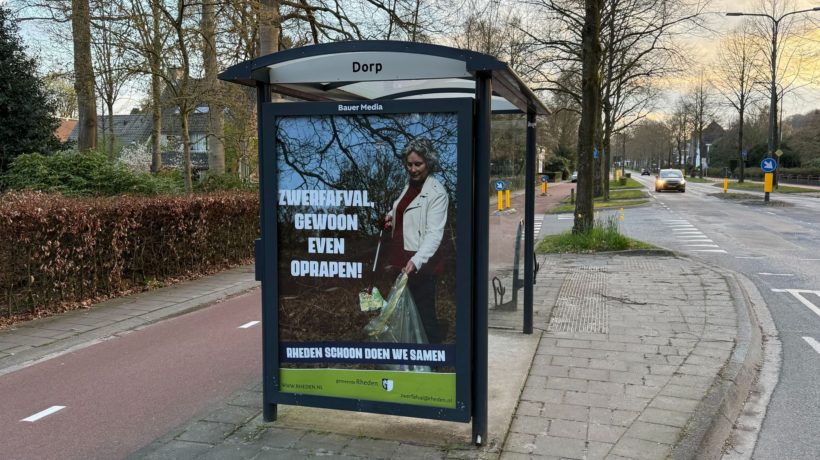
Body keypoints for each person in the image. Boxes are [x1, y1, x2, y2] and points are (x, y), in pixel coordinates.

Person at [384, 137, 449, 343]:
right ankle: (408, 356)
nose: (412, 169)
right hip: (399, 260)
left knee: (424, 314)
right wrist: (391, 217)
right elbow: (405, 210)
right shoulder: (409, 185)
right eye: (409, 164)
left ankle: (432, 361)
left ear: (429, 163)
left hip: (420, 265)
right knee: (403, 313)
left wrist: (416, 261)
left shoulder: (437, 193)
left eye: (418, 164)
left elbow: (434, 233)